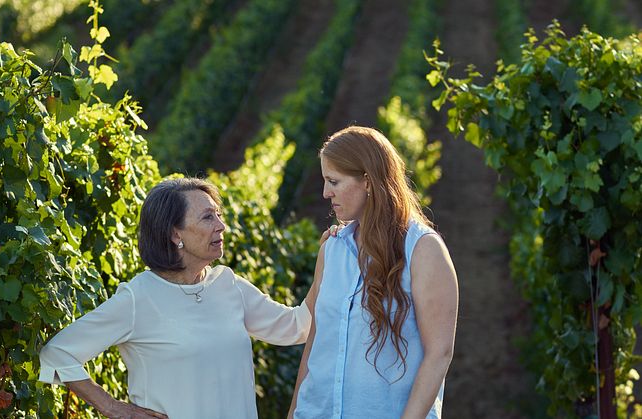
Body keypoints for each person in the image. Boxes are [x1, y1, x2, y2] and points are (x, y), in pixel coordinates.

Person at [39, 177, 311, 419]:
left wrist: (327, 264)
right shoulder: (138, 298)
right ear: (174, 234)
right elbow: (59, 353)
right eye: (208, 217)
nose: (222, 225)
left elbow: (297, 327)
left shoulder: (228, 284)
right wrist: (114, 408)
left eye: (218, 214)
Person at [289, 126, 458, 418]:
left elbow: (439, 353)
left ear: (367, 181)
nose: (325, 193)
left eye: (334, 181)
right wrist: (294, 412)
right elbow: (317, 338)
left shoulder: (423, 250)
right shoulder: (332, 248)